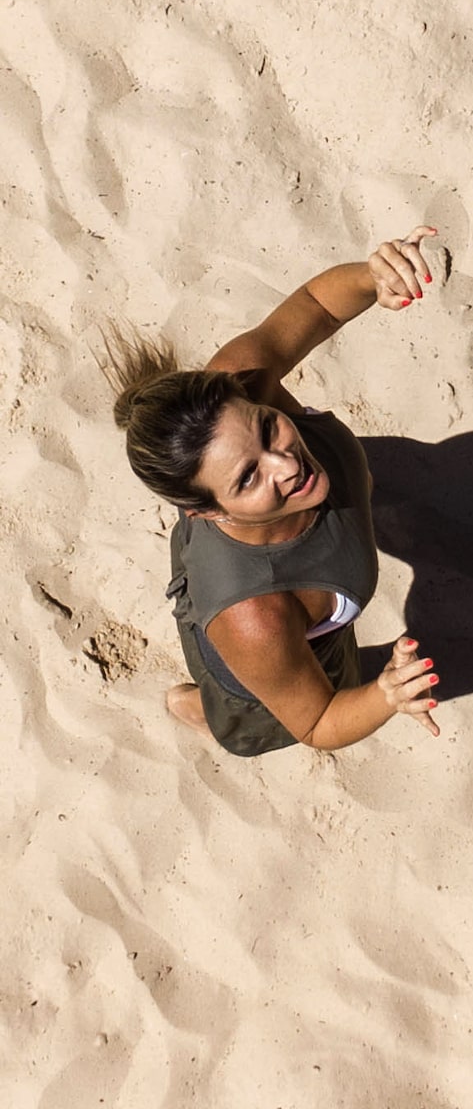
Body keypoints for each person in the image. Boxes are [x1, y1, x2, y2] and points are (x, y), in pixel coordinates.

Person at [101, 229, 442, 757]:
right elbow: (319, 723)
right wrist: (384, 695)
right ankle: (197, 706)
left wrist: (371, 277)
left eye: (266, 427)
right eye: (247, 478)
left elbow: (317, 306)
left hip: (293, 607)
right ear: (206, 511)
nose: (287, 464)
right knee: (248, 709)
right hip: (253, 677)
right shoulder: (254, 617)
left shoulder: (240, 380)